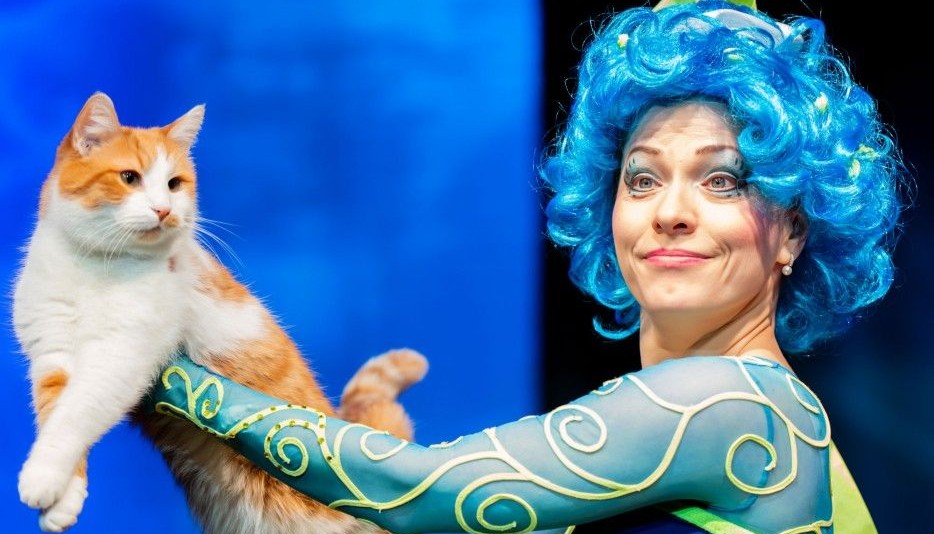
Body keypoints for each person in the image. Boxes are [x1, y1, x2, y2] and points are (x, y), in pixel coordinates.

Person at [147, 0, 908, 532]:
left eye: (722, 180)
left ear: (793, 231)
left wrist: (169, 380)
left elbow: (418, 490)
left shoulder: (733, 402)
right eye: (642, 178)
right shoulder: (775, 411)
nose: (670, 211)